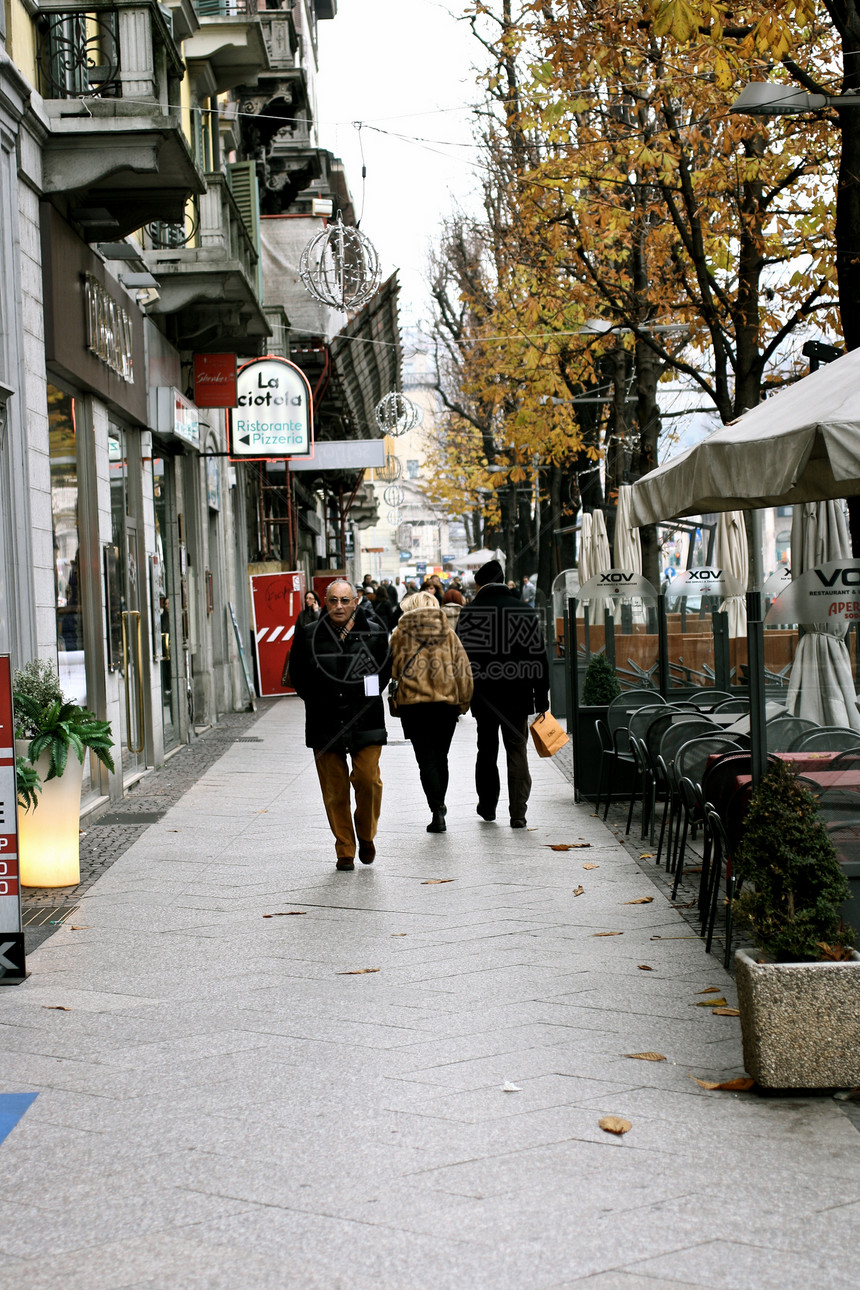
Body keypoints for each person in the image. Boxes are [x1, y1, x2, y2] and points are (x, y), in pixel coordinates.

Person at [288, 579, 391, 871]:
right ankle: (345, 848)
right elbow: (298, 675)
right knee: (334, 790)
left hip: (366, 718)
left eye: (345, 601)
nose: (339, 606)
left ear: (355, 602)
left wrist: (363, 694)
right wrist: (319, 698)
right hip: (325, 721)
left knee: (368, 780)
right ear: (325, 601)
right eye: (333, 600)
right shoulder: (309, 634)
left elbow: (384, 671)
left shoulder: (373, 633)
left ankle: (367, 834)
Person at [457, 558, 550, 829]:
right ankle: (518, 812)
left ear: (478, 584)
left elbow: (461, 658)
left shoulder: (470, 612)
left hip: (483, 694)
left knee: (486, 749)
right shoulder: (523, 610)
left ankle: (487, 806)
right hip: (517, 693)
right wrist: (541, 696)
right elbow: (539, 657)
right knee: (516, 749)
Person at [390, 590, 473, 833]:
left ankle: (436, 810)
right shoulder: (448, 633)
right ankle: (440, 804)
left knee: (425, 760)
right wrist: (463, 704)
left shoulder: (399, 635)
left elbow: (394, 671)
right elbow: (463, 670)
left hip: (413, 707)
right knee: (441, 758)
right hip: (445, 707)